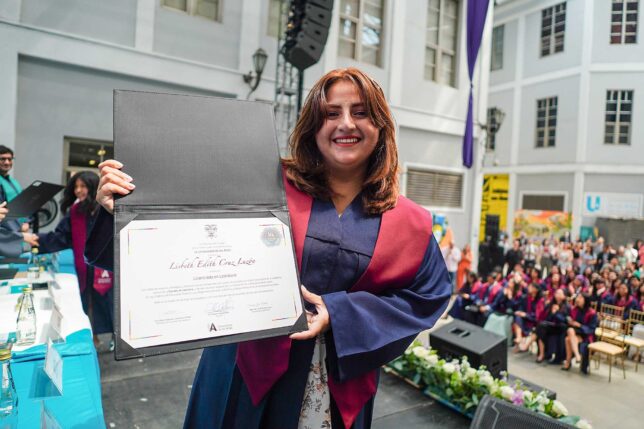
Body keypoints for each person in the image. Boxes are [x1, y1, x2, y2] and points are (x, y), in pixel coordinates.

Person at [85, 68, 452, 429]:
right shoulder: (264, 184)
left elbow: (427, 296)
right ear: (313, 126)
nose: (345, 124)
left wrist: (340, 314)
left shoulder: (408, 221)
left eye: (360, 113)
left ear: (381, 127)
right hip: (243, 371)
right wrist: (124, 211)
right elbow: (184, 236)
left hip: (337, 384)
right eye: (331, 113)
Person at [37, 172, 114, 348]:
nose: (78, 190)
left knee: (110, 301)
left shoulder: (107, 208)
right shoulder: (75, 211)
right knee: (87, 302)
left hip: (107, 265)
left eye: (83, 186)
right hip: (85, 266)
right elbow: (61, 237)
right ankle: (93, 336)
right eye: (76, 187)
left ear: (93, 187)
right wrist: (37, 239)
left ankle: (115, 337)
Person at [562, 293, 597, 374]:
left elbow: (592, 329)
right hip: (575, 333)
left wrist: (580, 325)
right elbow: (567, 317)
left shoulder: (592, 313)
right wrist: (570, 321)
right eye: (578, 297)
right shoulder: (574, 309)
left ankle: (568, 362)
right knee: (570, 331)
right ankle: (577, 355)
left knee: (568, 339)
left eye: (580, 298)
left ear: (586, 301)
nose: (578, 299)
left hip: (586, 335)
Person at [535, 288, 569, 364]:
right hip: (551, 325)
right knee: (540, 328)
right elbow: (547, 318)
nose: (557, 295)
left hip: (561, 327)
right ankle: (542, 354)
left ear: (564, 296)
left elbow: (564, 320)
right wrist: (551, 311)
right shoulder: (551, 304)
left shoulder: (567, 306)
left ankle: (548, 355)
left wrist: (556, 313)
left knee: (542, 328)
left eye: (559, 293)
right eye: (556, 293)